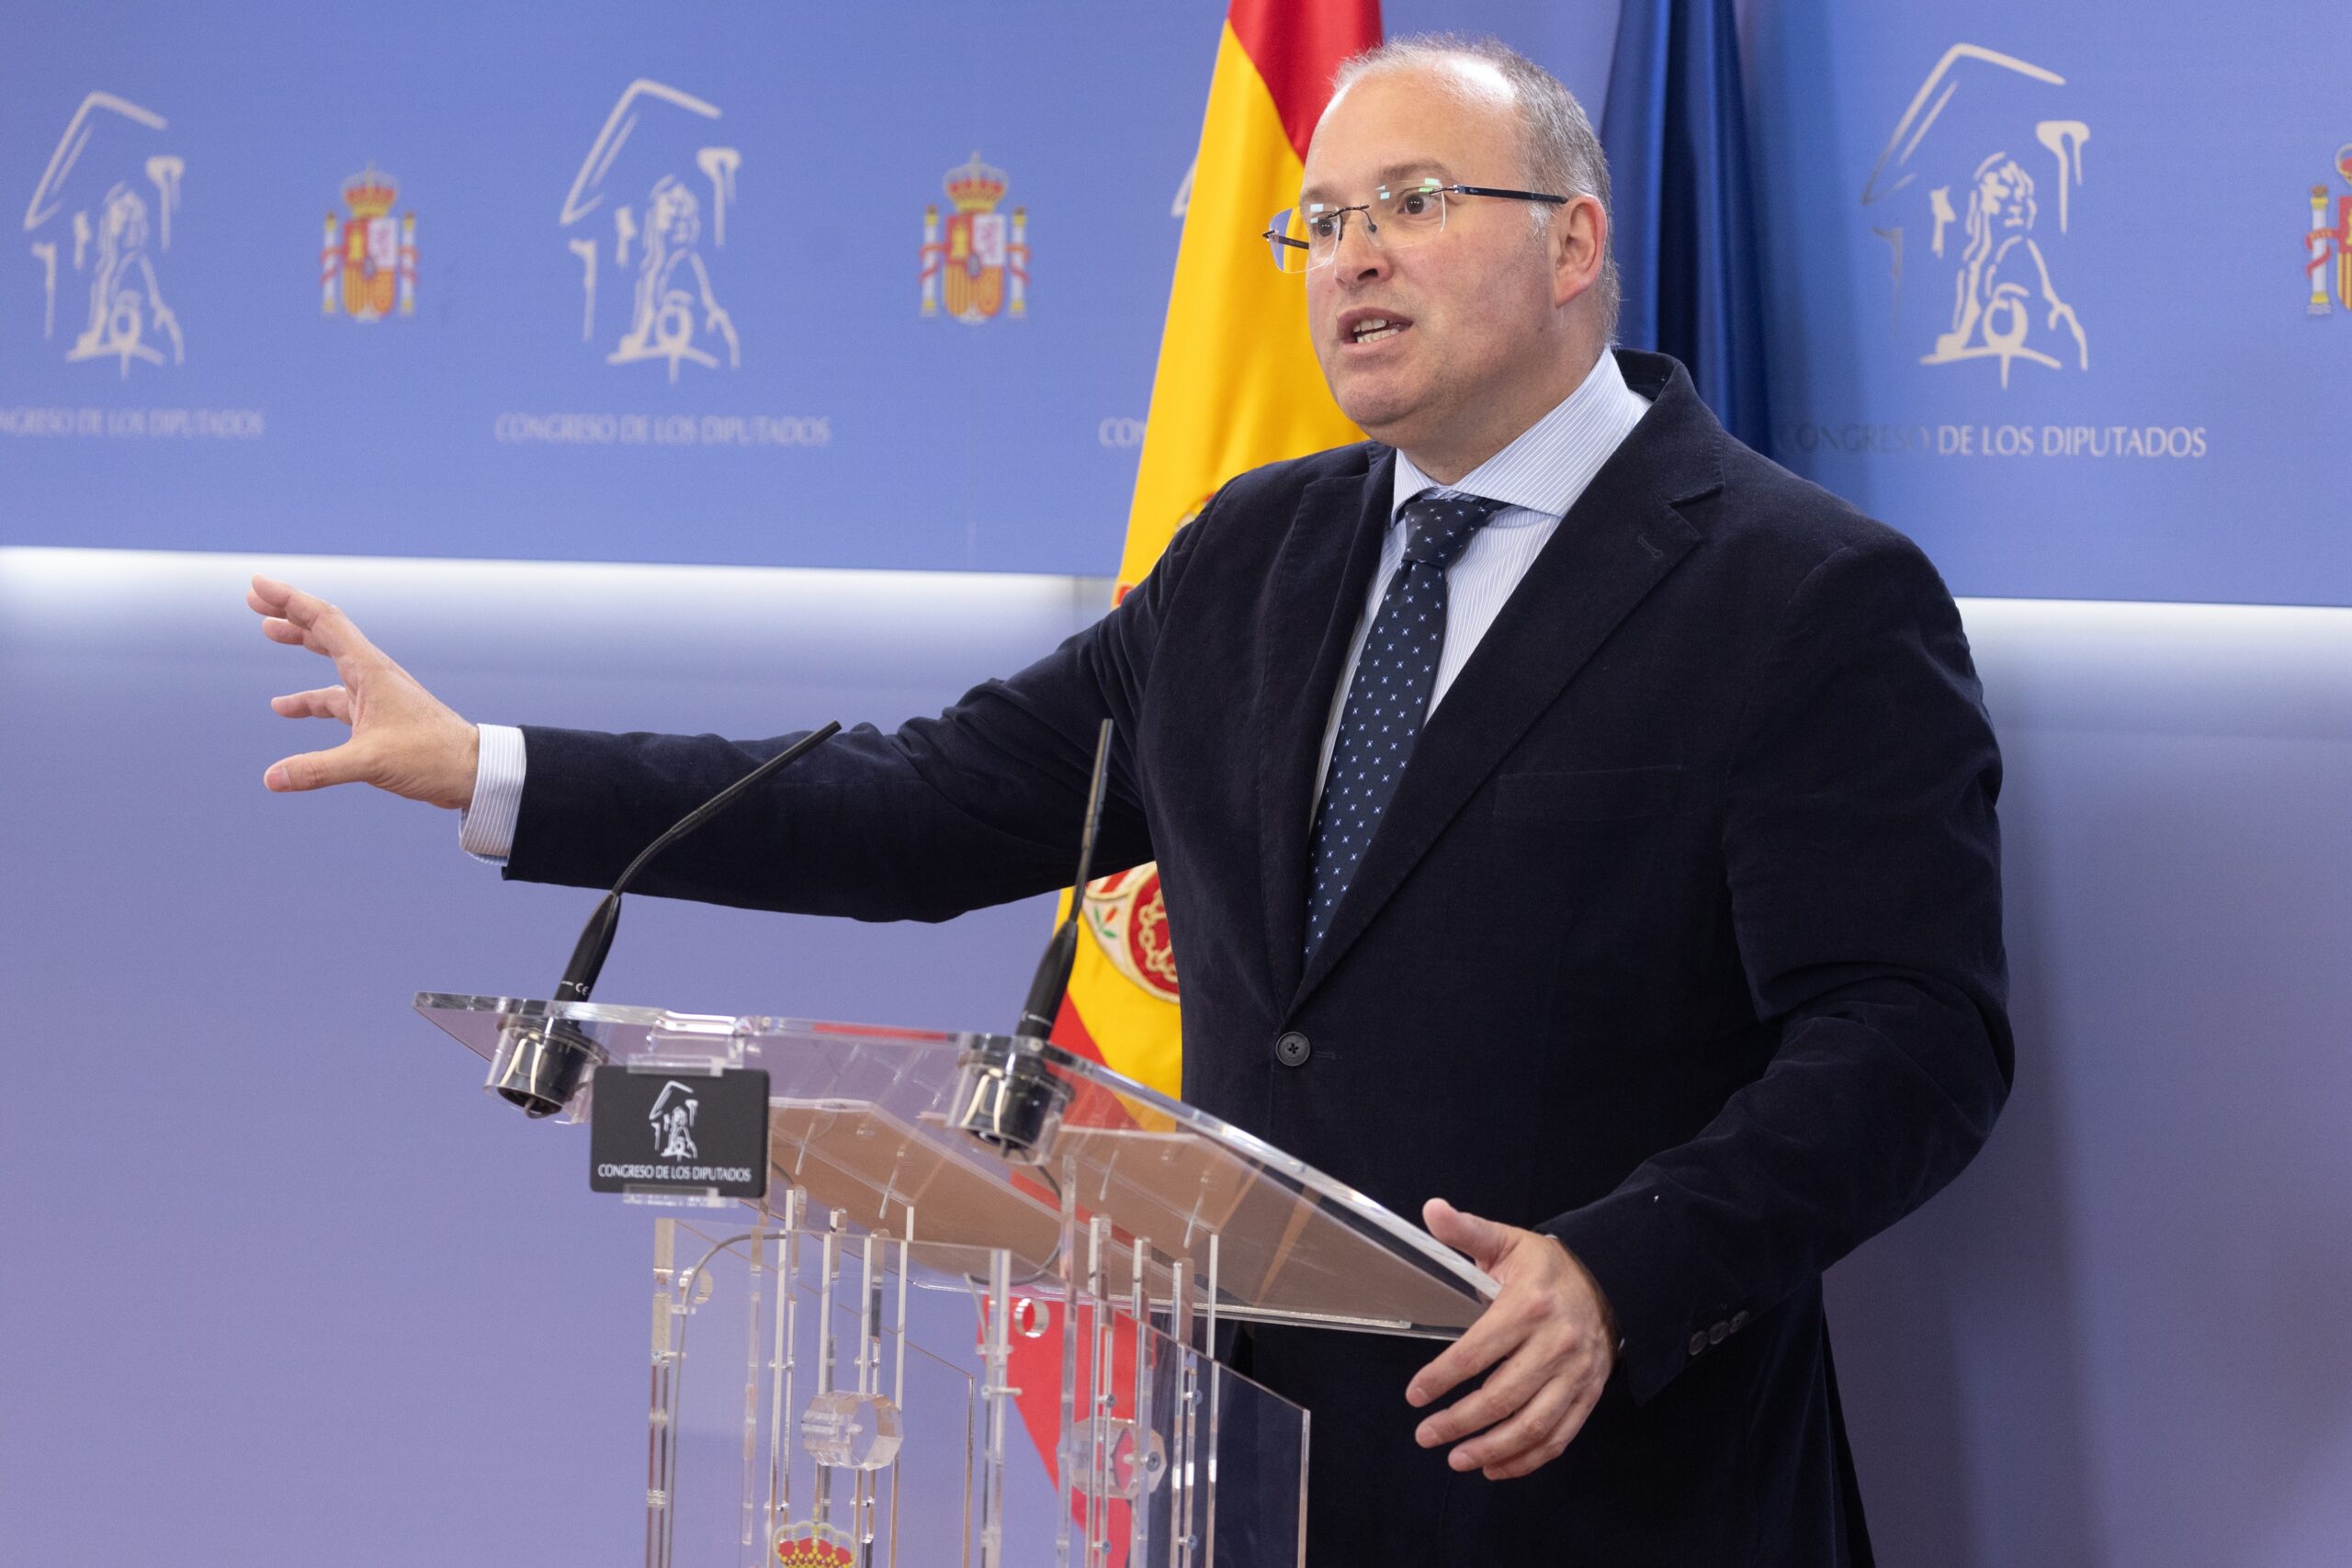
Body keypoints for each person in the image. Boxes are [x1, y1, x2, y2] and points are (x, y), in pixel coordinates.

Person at [252, 36, 2008, 1566]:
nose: (1350, 257)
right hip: (1249, 1473)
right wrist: (487, 767)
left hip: (1602, 1480)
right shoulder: (1256, 550)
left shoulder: (1804, 592)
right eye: (1322, 221)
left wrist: (1625, 1270)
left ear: (1574, 243)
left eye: (1411, 204)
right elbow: (929, 804)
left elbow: (1911, 1037)